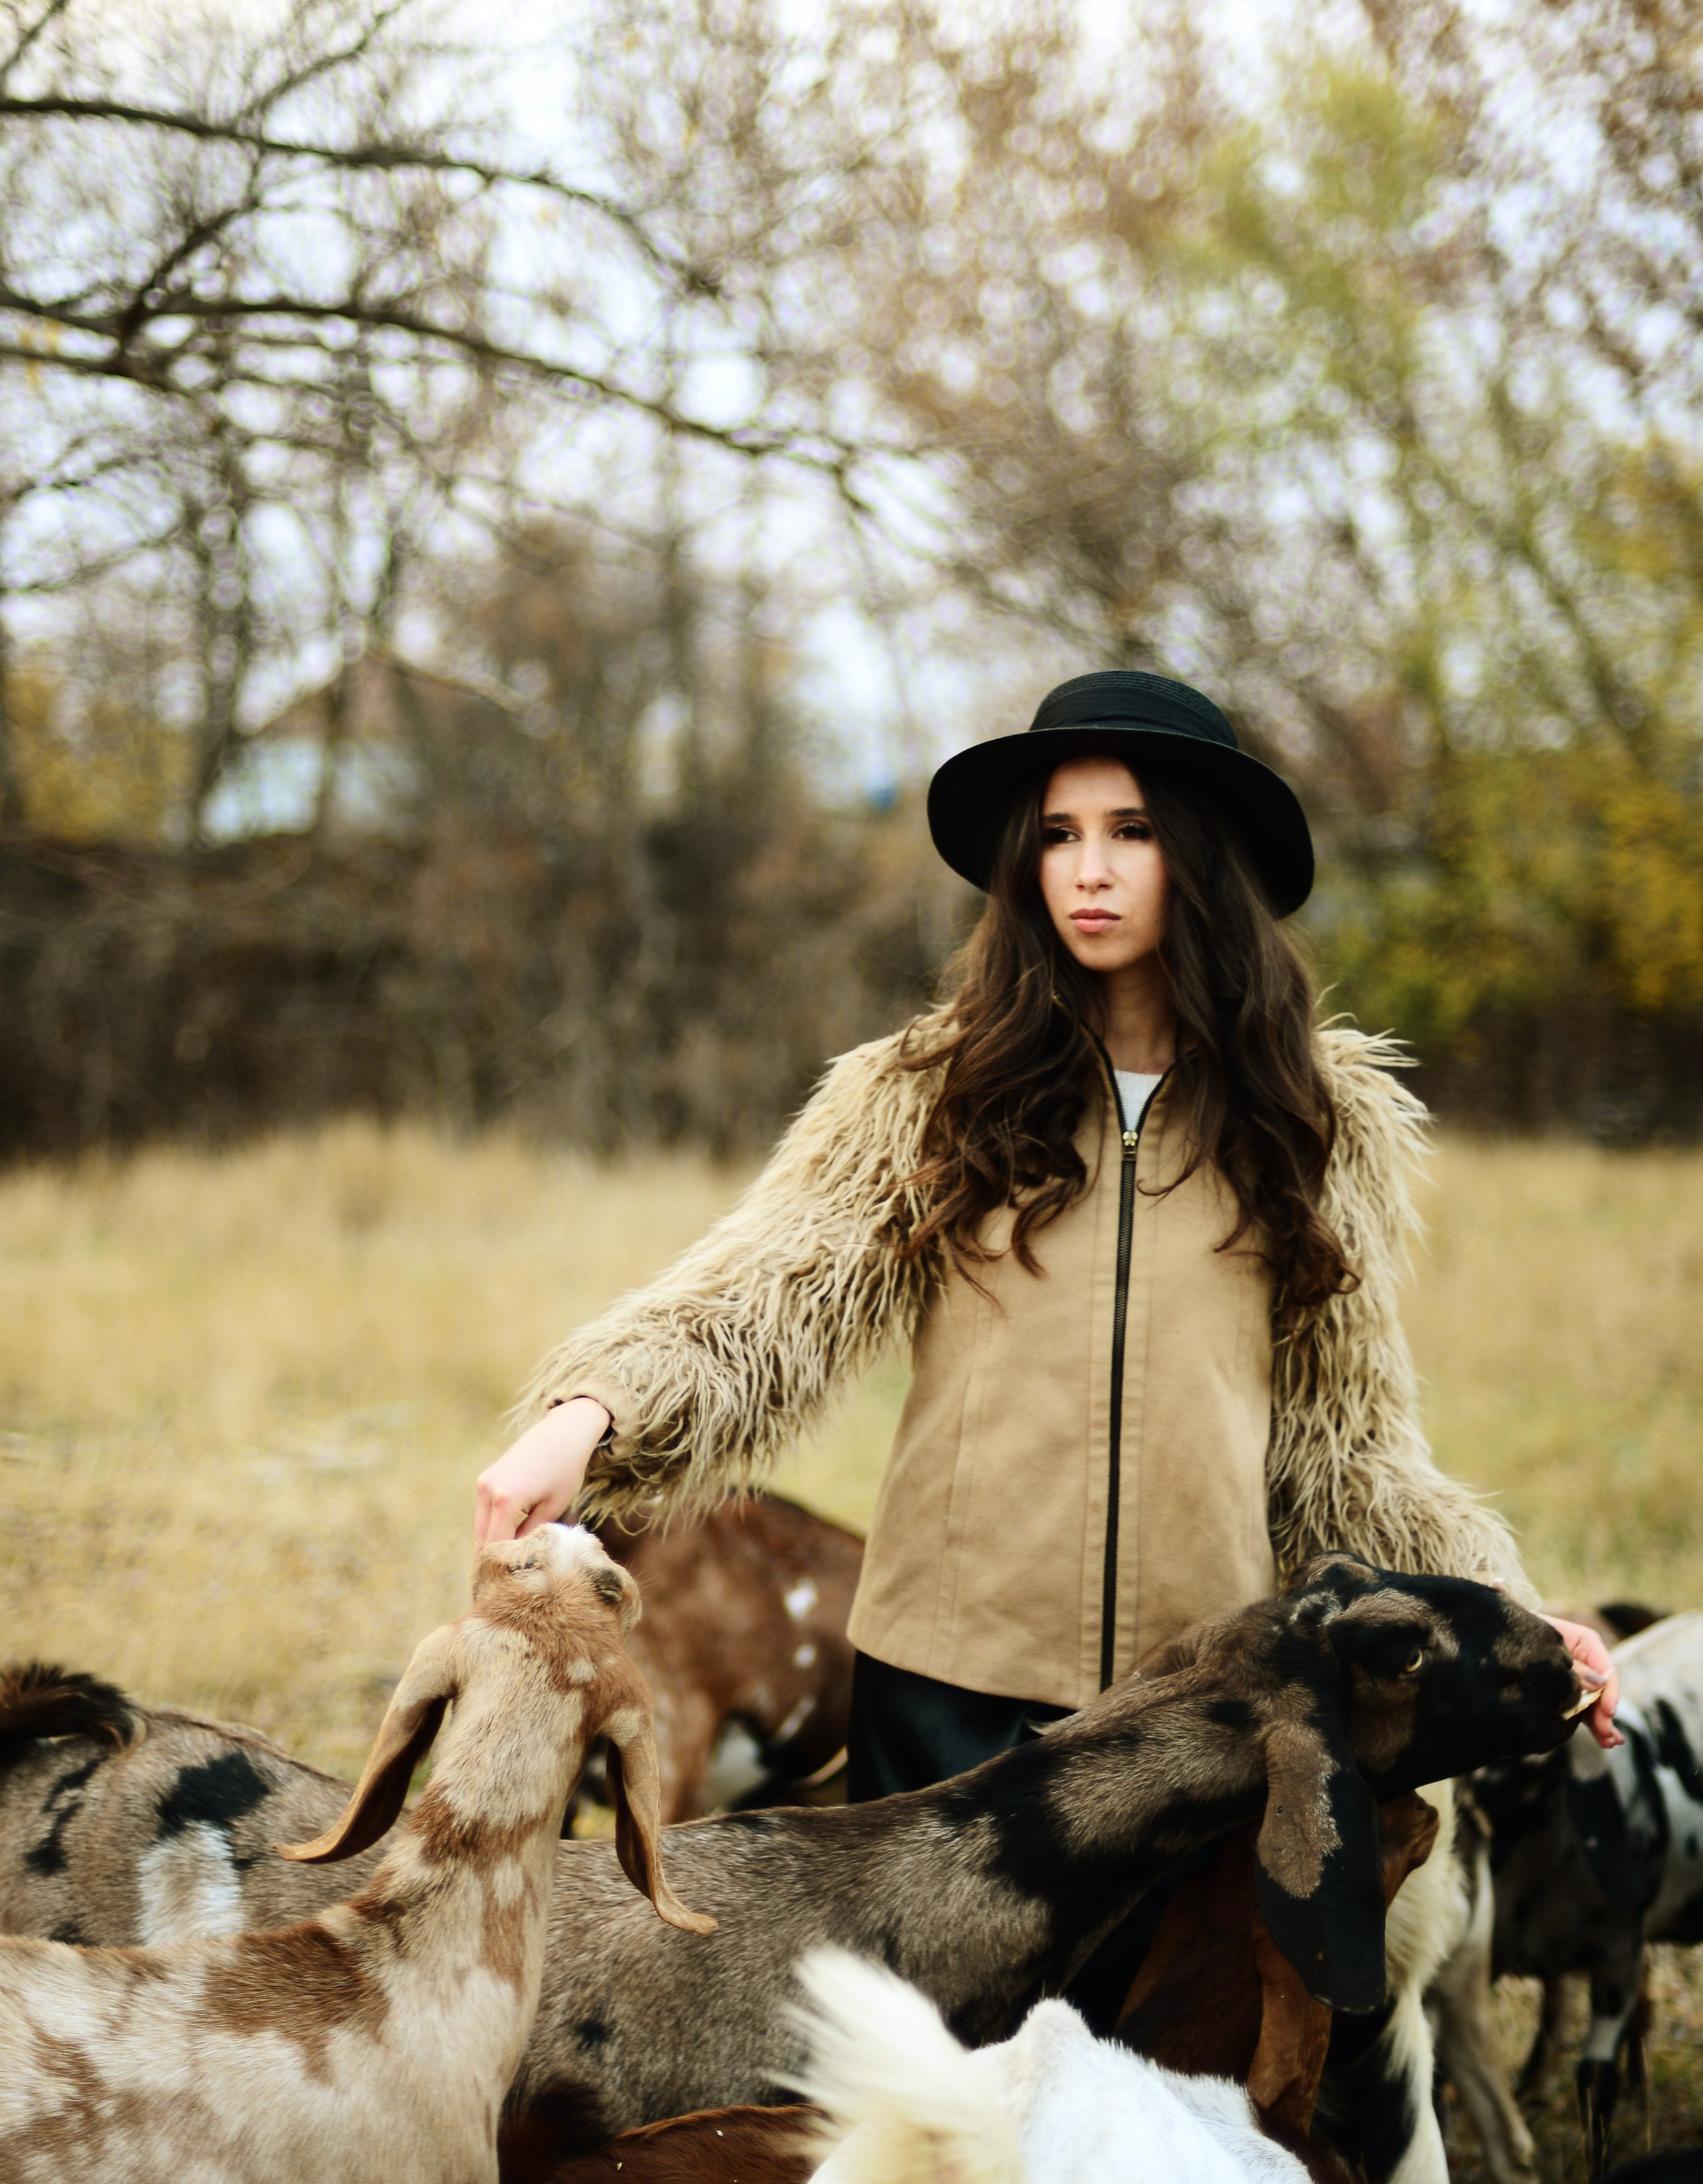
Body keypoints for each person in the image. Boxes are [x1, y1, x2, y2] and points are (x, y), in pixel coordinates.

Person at [476, 670, 1621, 1790]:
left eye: (1131, 831)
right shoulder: (930, 1091)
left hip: (1203, 1697)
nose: (1088, 871)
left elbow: (1350, 1452)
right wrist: (589, 1412)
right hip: (945, 1688)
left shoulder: (1310, 1123)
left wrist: (1515, 1616)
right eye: (1059, 834)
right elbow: (766, 1296)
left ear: (1203, 854)